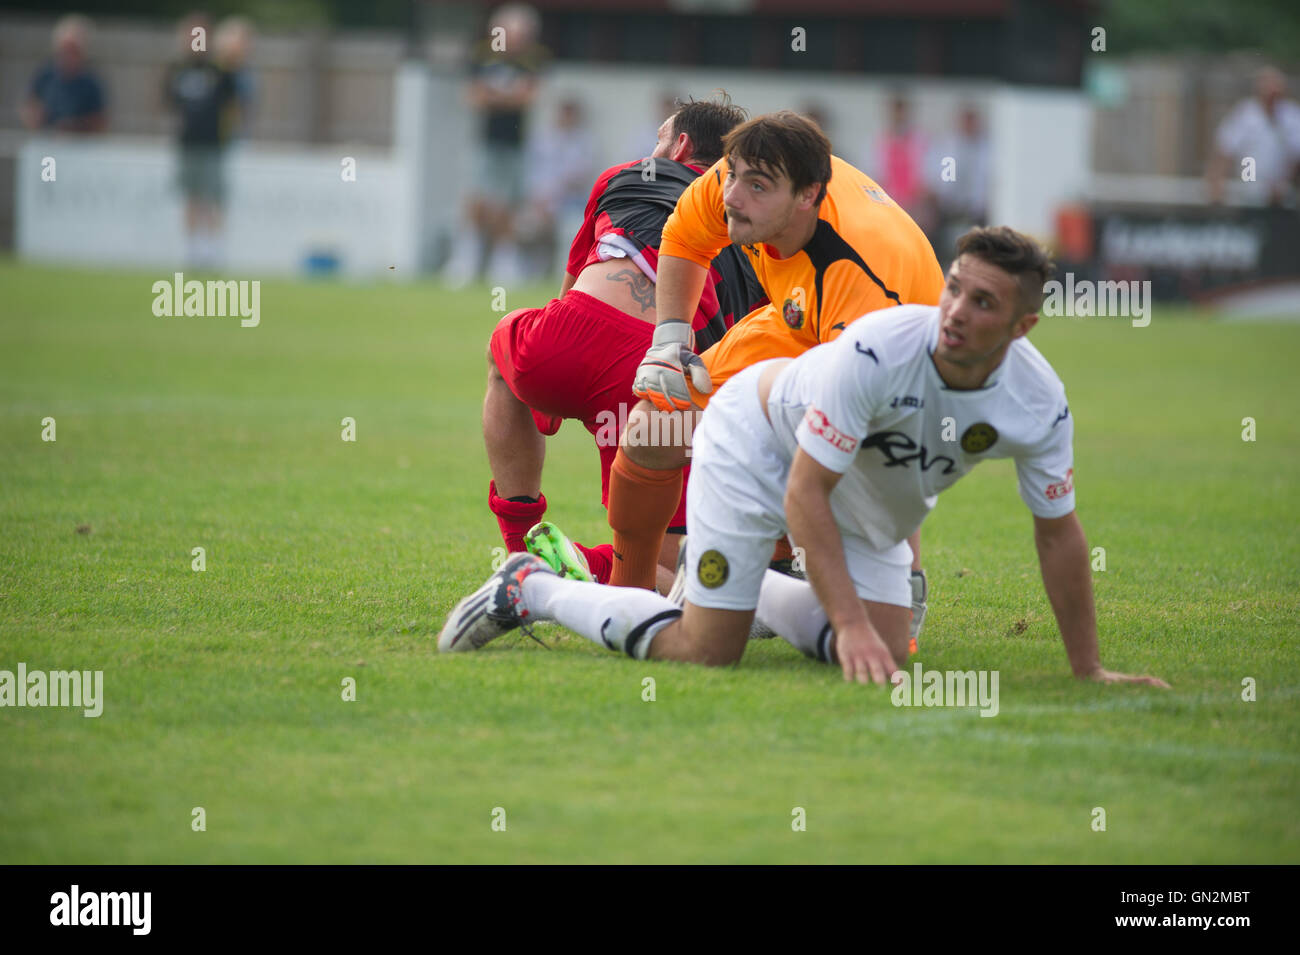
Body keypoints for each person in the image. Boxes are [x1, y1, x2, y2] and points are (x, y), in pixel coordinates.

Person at [440, 226, 1170, 694]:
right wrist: (844, 621)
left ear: (1023, 325)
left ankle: (733, 581)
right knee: (706, 651)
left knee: (891, 652)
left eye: (984, 302)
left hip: (860, 495)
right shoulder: (882, 349)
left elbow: (1058, 531)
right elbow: (804, 492)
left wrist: (1089, 670)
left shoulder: (1038, 401)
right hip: (756, 442)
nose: (954, 311)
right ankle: (530, 586)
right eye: (954, 287)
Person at [580, 111, 942, 645]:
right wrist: (670, 342)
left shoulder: (861, 274)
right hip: (797, 317)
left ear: (807, 196)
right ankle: (630, 590)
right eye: (732, 178)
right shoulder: (735, 181)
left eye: (756, 186)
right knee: (653, 426)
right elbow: (684, 234)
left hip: (890, 365)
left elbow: (874, 432)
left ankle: (892, 583)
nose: (732, 196)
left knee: (818, 460)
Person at [484, 97, 764, 591]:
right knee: (662, 569)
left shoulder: (625, 175)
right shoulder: (752, 221)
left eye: (660, 137)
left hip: (565, 339)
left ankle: (522, 549)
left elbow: (571, 284)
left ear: (678, 146)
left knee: (502, 348)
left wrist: (544, 394)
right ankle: (591, 568)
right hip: (657, 379)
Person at [445, 3, 548, 285]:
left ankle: (505, 260)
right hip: (485, 140)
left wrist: (496, 95)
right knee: (477, 198)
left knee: (508, 203)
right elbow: (473, 97)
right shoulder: (481, 55)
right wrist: (506, 96)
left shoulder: (533, 60)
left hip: (516, 143)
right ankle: (467, 258)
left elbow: (527, 97)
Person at [164, 12, 241, 268]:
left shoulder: (219, 72)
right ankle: (193, 250)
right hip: (187, 144)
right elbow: (168, 104)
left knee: (213, 198)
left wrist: (229, 134)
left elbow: (234, 106)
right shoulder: (178, 70)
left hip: (213, 145)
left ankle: (212, 250)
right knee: (192, 198)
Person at [1208, 66, 1300, 207]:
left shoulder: (1292, 116)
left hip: (1284, 193)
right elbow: (1224, 152)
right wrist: (1217, 190)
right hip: (1250, 191)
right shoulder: (1245, 114)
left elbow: (1295, 156)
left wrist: (1286, 183)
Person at [21, 14, 107, 134]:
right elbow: (30, 108)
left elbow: (100, 120)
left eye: (74, 51)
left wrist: (74, 126)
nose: (69, 56)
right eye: (65, 50)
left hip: (81, 146)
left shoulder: (91, 82)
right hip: (46, 140)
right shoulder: (45, 76)